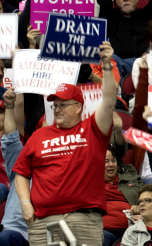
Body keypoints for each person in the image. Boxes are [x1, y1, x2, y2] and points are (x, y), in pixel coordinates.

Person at [14, 42, 118, 245]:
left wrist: (106, 65)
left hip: (83, 219)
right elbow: (21, 173)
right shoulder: (39, 135)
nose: (57, 109)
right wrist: (25, 203)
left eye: (63, 105)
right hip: (43, 221)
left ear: (78, 107)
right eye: (55, 105)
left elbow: (108, 99)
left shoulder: (93, 130)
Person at [0, 88, 28, 246]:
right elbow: (11, 138)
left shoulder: (60, 168)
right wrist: (9, 106)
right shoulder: (21, 162)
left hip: (43, 230)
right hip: (14, 232)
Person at [103, 147, 142, 245]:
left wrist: (139, 206)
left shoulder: (130, 177)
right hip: (104, 230)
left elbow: (146, 196)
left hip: (132, 228)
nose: (111, 164)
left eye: (113, 160)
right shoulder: (90, 182)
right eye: (106, 161)